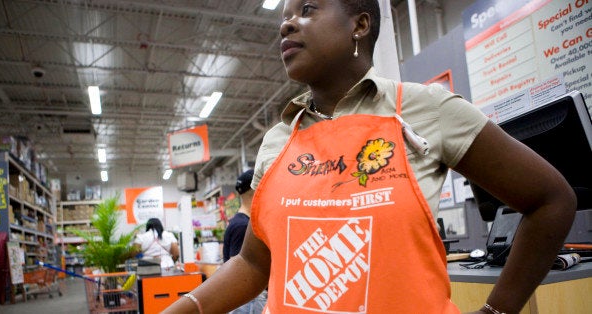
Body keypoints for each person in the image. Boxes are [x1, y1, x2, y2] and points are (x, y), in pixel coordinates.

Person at [163, 0, 576, 313]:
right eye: (285, 16)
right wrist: (183, 308)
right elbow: (255, 263)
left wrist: (496, 310)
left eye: (307, 9)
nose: (287, 23)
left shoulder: (426, 110)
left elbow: (551, 200)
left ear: (359, 24)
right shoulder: (277, 141)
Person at [222, 169, 267, 313]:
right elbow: (242, 274)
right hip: (250, 301)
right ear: (256, 190)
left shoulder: (240, 222)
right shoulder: (243, 227)